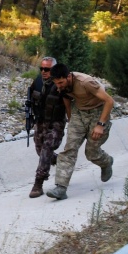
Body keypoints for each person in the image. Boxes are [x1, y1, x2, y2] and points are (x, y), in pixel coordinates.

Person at [46, 64, 115, 200]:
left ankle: (106, 162)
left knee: (91, 152)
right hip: (79, 113)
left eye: (60, 82)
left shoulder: (86, 82)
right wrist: (72, 120)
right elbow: (66, 99)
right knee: (69, 149)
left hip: (98, 112)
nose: (58, 86)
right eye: (56, 83)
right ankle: (61, 187)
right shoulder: (62, 86)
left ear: (69, 76)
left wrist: (100, 125)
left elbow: (109, 101)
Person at [27, 57, 70, 198]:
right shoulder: (38, 82)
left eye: (47, 69)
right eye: (42, 69)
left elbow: (70, 103)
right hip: (40, 121)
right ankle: (59, 161)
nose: (44, 72)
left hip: (56, 122)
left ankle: (38, 183)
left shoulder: (61, 84)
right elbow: (31, 99)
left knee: (46, 148)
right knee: (40, 149)